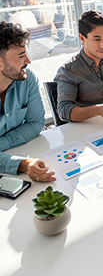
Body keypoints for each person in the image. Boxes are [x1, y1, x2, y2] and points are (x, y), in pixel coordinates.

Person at [0, 22, 55, 182]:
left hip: (26, 150)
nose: (28, 60)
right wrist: (23, 164)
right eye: (21, 55)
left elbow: (36, 123)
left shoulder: (27, 78)